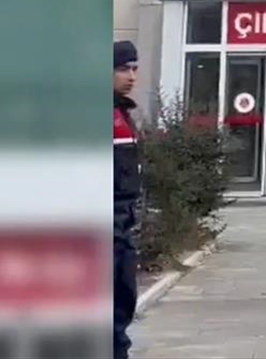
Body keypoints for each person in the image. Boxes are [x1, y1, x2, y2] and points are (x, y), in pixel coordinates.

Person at [112, 40, 141, 359]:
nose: (131, 76)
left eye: (134, 69)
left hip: (123, 228)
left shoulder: (123, 114)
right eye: (122, 69)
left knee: (122, 305)